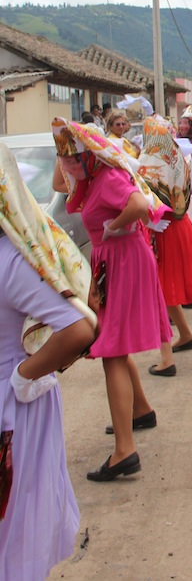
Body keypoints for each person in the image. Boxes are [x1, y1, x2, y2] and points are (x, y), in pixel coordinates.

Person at [52, 118, 172, 481]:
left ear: (88, 156)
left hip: (124, 259)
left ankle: (124, 450)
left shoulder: (108, 177)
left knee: (112, 352)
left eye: (73, 157)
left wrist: (114, 226)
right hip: (113, 262)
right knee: (114, 344)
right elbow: (59, 182)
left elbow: (138, 204)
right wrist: (66, 140)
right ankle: (140, 410)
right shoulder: (92, 177)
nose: (68, 164)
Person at [0, 142, 97, 580]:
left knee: (14, 527)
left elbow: (78, 329)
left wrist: (24, 376)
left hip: (12, 407)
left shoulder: (11, 259)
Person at [137, 116, 192, 370]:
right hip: (179, 225)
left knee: (159, 292)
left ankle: (166, 358)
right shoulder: (177, 155)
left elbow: (145, 196)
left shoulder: (150, 160)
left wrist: (147, 221)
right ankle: (185, 334)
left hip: (163, 228)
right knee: (166, 290)